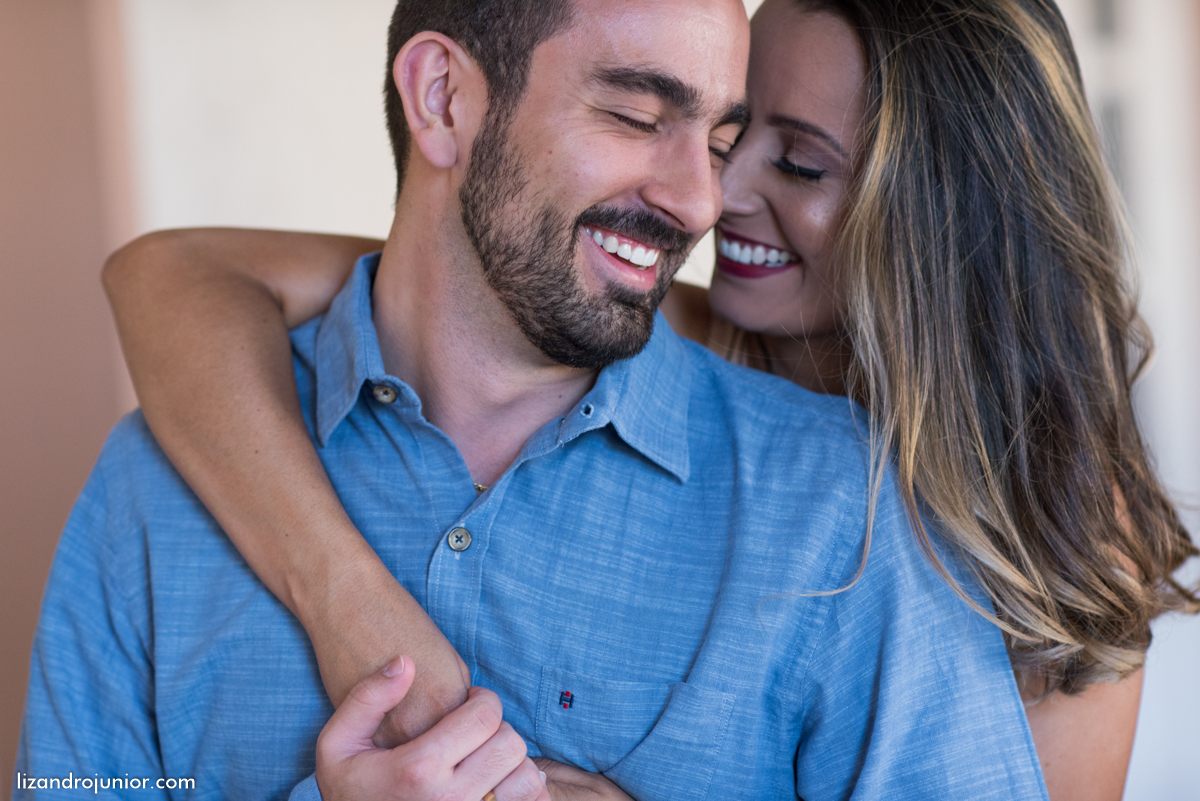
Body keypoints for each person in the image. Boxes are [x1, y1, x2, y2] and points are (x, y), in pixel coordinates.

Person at [95, 0, 1199, 799]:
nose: (713, 198)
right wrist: (355, 608)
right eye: (725, 132)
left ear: (938, 220)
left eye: (798, 164)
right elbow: (168, 277)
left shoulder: (1043, 526)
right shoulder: (644, 315)